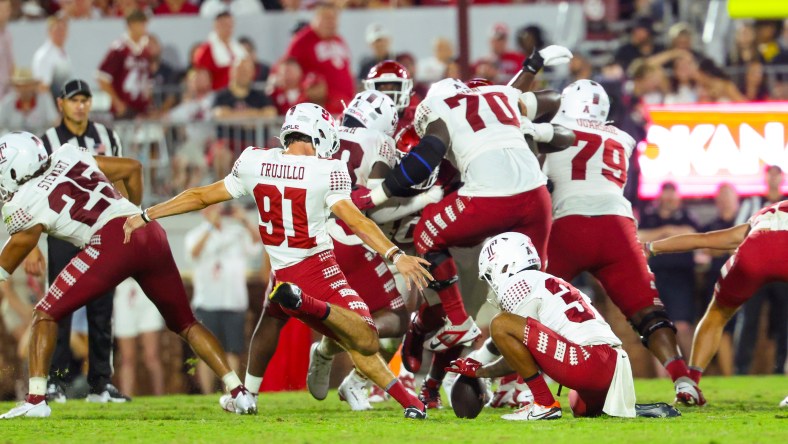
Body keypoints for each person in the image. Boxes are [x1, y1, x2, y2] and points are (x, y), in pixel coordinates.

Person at [122, 102, 433, 420]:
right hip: (318, 269)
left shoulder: (255, 161)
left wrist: (148, 213)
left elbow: (200, 196)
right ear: (320, 134)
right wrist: (395, 254)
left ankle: (411, 403)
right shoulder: (327, 170)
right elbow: (358, 222)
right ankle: (305, 304)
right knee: (365, 337)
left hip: (284, 272)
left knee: (350, 338)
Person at [0, 131, 256, 419]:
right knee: (186, 323)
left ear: (12, 168)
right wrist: (132, 213)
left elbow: (18, 248)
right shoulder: (66, 154)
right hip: (146, 229)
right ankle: (239, 393)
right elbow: (132, 168)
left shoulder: (21, 201)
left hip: (109, 241)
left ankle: (36, 399)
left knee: (45, 313)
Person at [542, 79, 702, 405]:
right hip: (616, 225)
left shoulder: (549, 130)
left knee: (529, 303)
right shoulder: (622, 137)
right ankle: (683, 379)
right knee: (649, 312)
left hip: (568, 225)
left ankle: (518, 385)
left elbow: (539, 186)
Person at [307, 91, 436, 410]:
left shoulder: (329, 131)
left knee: (280, 312)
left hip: (310, 234)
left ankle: (245, 389)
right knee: (398, 317)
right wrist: (424, 200)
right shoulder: (380, 142)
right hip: (355, 237)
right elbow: (373, 208)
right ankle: (332, 356)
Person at [447, 232, 636, 420]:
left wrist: (481, 371)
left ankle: (544, 403)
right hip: (616, 366)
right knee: (579, 406)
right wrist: (484, 371)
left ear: (504, 265)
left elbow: (524, 353)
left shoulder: (518, 284)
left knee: (500, 323)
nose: (492, 280)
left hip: (586, 363)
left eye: (490, 273)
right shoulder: (548, 280)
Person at [27, 79, 127, 404]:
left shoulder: (107, 137)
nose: (80, 105)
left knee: (102, 309)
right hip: (61, 232)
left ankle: (101, 383)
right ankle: (55, 381)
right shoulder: (47, 142)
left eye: (85, 99)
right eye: (74, 100)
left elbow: (121, 179)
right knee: (58, 306)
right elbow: (32, 196)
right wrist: (31, 245)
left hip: (101, 230)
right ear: (61, 104)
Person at [645, 199, 788, 405]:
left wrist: (651, 247)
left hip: (754, 252)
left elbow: (704, 239)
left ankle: (691, 385)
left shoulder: (764, 216)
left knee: (717, 313)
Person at [185, 203, 261, 394]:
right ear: (203, 211)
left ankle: (232, 393)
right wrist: (210, 227)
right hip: (207, 301)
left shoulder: (236, 231)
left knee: (232, 350)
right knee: (207, 353)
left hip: (234, 301)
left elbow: (256, 244)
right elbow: (194, 253)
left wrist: (245, 220)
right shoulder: (195, 234)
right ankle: (207, 394)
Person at [731, 165, 787, 376]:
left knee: (784, 321)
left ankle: (781, 368)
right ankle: (741, 368)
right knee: (749, 319)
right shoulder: (752, 203)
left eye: (776, 175)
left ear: (781, 178)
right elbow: (739, 232)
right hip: (757, 271)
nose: (773, 179)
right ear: (765, 178)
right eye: (769, 175)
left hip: (782, 272)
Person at [637, 182, 700, 358]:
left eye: (672, 195)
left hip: (681, 278)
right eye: (666, 195)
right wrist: (666, 231)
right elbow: (639, 236)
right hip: (654, 278)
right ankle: (665, 376)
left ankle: (694, 368)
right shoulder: (648, 215)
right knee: (657, 327)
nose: (669, 199)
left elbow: (693, 235)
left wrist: (663, 233)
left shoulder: (686, 215)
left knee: (682, 326)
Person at [210, 57, 276, 179]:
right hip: (228, 143)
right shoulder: (222, 96)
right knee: (220, 154)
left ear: (252, 73)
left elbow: (270, 114)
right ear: (232, 71)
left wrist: (234, 117)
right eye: (240, 69)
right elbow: (219, 115)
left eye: (247, 70)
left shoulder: (260, 96)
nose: (243, 73)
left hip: (256, 145)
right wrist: (254, 117)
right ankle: (225, 195)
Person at [284, 2, 353, 115]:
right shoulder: (301, 41)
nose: (332, 22)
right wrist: (307, 87)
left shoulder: (339, 40)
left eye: (334, 18)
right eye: (327, 18)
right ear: (316, 18)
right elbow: (288, 72)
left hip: (342, 107)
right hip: (318, 110)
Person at [113, 278, 165, 397]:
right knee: (127, 359)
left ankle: (160, 398)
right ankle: (126, 398)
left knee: (152, 356)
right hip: (123, 292)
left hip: (147, 290)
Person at [97, 10, 152, 119]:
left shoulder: (145, 49)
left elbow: (147, 79)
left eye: (145, 24)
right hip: (124, 109)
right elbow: (102, 77)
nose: (144, 28)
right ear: (131, 25)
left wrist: (149, 102)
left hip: (142, 109)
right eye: (141, 24)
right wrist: (118, 103)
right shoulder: (119, 49)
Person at [193, 11, 248, 91]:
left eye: (230, 25)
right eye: (225, 25)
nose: (228, 28)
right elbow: (202, 77)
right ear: (216, 25)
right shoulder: (206, 50)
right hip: (217, 93)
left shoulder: (238, 48)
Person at [0, 68, 58, 132]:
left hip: (40, 140)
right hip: (13, 140)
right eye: (21, 86)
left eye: (28, 85)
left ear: (34, 86)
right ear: (16, 87)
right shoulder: (7, 102)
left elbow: (54, 122)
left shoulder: (44, 99)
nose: (25, 89)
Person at [363, 60, 416, 131]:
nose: (388, 94)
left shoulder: (418, 117)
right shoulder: (361, 117)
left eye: (394, 87)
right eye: (382, 87)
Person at [31, 16, 72, 99]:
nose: (61, 33)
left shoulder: (62, 53)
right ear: (49, 31)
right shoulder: (44, 56)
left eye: (63, 30)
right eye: (57, 30)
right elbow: (42, 87)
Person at [0, 0, 14, 100]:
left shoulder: (7, 34)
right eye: (2, 10)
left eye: (7, 9)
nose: (6, 13)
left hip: (6, 89)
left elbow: (11, 63)